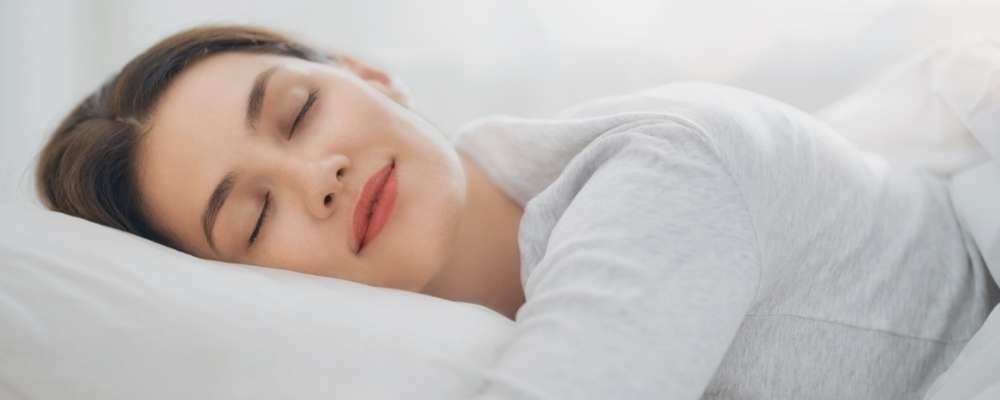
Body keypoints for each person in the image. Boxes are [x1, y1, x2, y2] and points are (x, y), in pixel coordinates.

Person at [35, 25, 999, 399]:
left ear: (371, 75)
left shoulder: (660, 168)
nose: (316, 174)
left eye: (297, 112)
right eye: (251, 219)